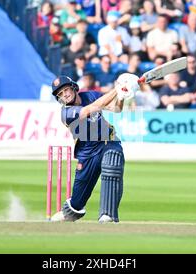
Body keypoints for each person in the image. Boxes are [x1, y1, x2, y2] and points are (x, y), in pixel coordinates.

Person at [49, 73, 135, 223]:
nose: (65, 95)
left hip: (108, 141)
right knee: (76, 205)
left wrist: (121, 96)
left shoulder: (90, 95)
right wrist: (117, 88)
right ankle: (68, 213)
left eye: (66, 90)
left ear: (73, 88)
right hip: (87, 153)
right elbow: (92, 108)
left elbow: (115, 109)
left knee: (112, 164)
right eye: (60, 94)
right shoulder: (67, 113)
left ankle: (107, 214)